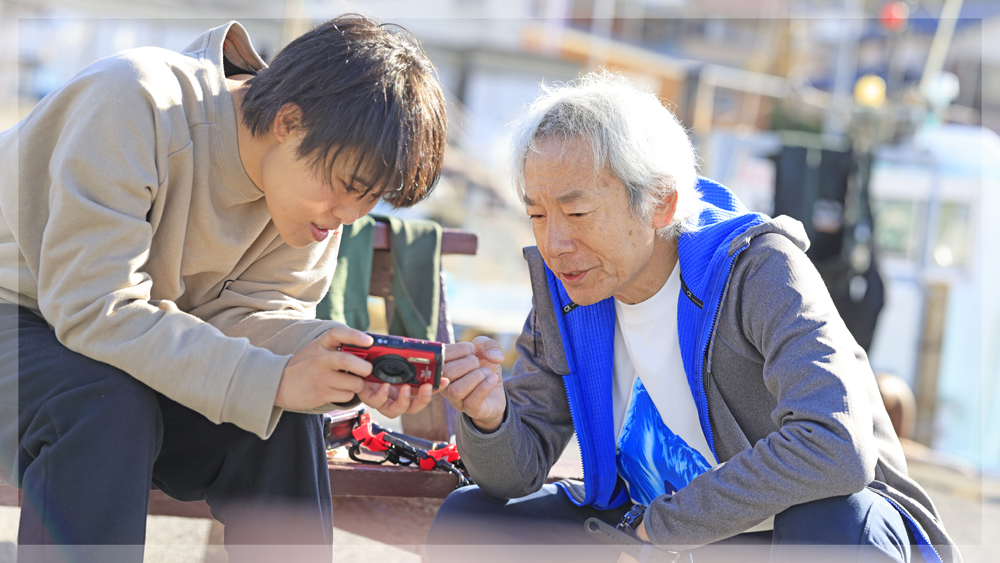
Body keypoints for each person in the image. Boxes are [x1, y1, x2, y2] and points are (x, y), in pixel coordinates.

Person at [432, 72, 959, 563]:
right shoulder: (567, 291)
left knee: (835, 522)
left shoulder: (760, 269)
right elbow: (514, 473)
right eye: (537, 215)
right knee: (470, 519)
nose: (553, 243)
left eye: (576, 213)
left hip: (769, 533)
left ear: (660, 202)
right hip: (653, 527)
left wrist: (659, 530)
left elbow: (834, 444)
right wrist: (489, 416)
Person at [0, 14, 447, 563]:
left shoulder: (305, 202)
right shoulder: (135, 100)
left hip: (120, 347)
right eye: (346, 187)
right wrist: (271, 379)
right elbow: (95, 306)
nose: (348, 216)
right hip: (19, 314)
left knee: (281, 424)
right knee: (102, 404)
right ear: (288, 121)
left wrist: (333, 360)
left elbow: (250, 315)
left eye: (369, 199)